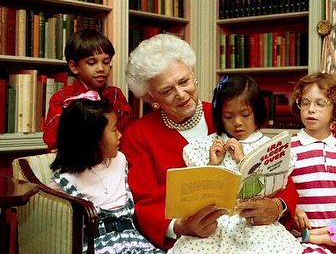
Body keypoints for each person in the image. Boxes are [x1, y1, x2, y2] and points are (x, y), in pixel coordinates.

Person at [122, 33, 298, 251]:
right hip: (195, 240)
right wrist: (180, 227)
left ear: (193, 75)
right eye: (167, 90)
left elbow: (271, 167)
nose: (181, 94)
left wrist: (277, 206)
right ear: (151, 98)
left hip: (247, 234)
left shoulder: (229, 115)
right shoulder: (138, 134)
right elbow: (144, 202)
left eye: (184, 81)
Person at [168, 75, 303, 253]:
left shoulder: (269, 147)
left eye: (245, 115)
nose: (237, 123)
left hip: (252, 226)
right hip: (214, 227)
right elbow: (196, 196)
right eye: (228, 116)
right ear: (219, 116)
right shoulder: (204, 147)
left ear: (257, 111)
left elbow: (275, 188)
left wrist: (243, 160)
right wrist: (212, 164)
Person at [48, 91, 164, 254]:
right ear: (91, 139)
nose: (120, 135)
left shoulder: (121, 160)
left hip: (138, 245)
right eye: (114, 130)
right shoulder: (64, 182)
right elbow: (57, 234)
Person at [289, 72, 336, 253]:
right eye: (305, 103)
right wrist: (293, 208)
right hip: (298, 239)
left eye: (320, 103)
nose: (311, 109)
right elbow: (278, 194)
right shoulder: (288, 148)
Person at [43, 28, 132, 151]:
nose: (101, 68)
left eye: (106, 62)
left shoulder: (116, 95)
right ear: (74, 67)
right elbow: (55, 140)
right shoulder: (63, 98)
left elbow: (126, 135)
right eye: (91, 63)